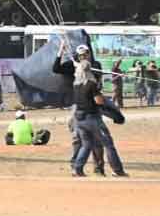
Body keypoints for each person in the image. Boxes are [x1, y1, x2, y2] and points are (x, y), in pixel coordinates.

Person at [54, 42, 128, 177]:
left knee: (86, 144)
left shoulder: (76, 84)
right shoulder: (90, 83)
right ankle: (117, 170)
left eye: (85, 54)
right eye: (81, 55)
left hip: (80, 116)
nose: (84, 56)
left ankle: (80, 168)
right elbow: (99, 101)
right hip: (90, 116)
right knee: (107, 143)